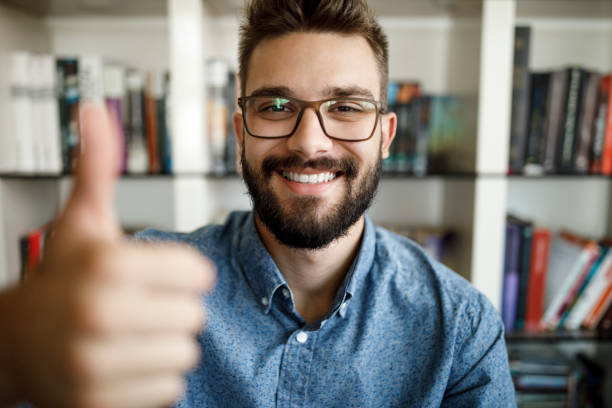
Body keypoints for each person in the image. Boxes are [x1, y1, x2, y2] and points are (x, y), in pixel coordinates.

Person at [0, 0, 516, 406]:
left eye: (345, 107)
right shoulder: (135, 290)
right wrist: (15, 356)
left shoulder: (460, 327)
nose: (310, 143)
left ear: (386, 135)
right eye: (274, 106)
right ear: (240, 132)